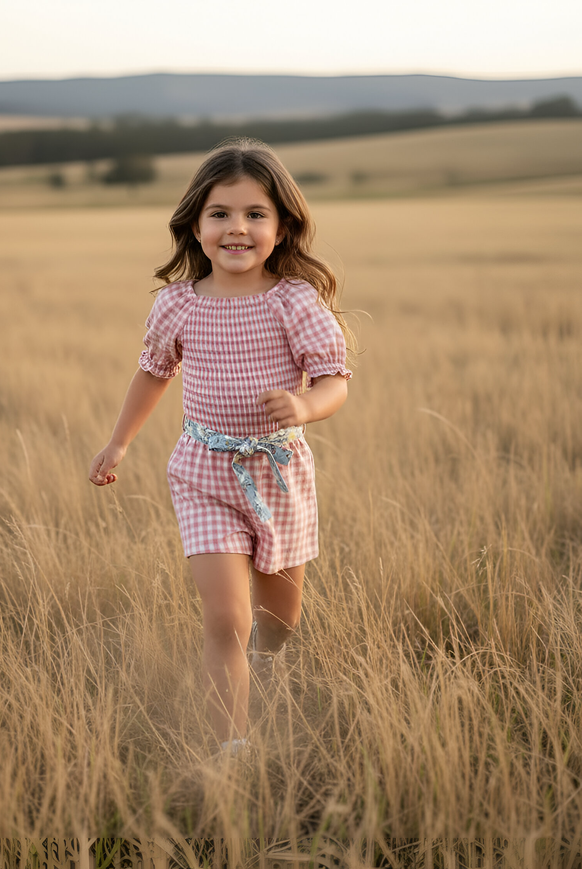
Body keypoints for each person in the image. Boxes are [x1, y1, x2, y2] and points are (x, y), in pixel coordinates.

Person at [89, 139, 353, 756]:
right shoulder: (179, 304)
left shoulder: (294, 301)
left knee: (278, 621)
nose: (238, 227)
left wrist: (306, 406)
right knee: (226, 619)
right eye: (221, 213)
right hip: (203, 469)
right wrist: (118, 443)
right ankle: (230, 747)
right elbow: (155, 373)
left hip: (278, 472)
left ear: (283, 226)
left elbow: (334, 380)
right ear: (196, 226)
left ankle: (266, 666)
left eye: (255, 214)